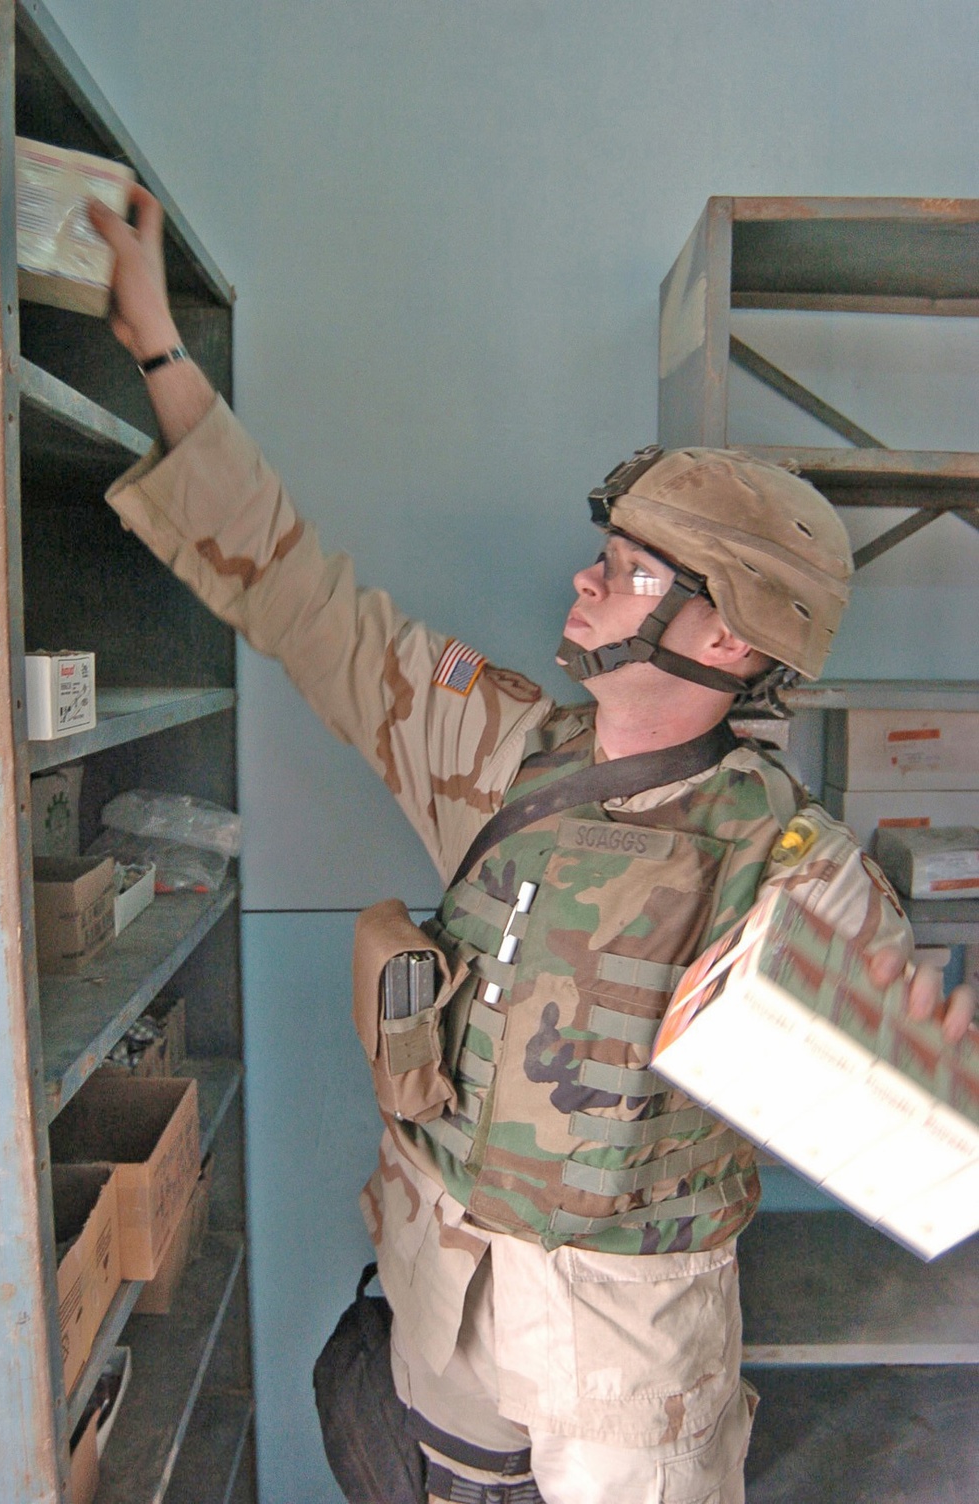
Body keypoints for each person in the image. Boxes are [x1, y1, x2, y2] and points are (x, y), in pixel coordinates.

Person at [91, 188, 974, 1504]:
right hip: (447, 1300)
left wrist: (910, 1087)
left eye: (623, 570)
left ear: (725, 639)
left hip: (628, 1359)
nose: (583, 580)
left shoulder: (785, 859)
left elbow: (920, 1157)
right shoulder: (505, 753)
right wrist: (160, 345)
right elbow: (296, 590)